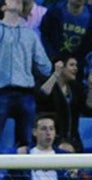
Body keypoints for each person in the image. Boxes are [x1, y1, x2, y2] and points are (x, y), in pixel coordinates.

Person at [0, 0, 53, 149]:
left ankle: (21, 173)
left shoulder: (30, 35)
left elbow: (45, 67)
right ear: (3, 6)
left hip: (26, 93)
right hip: (1, 92)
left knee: (25, 141)